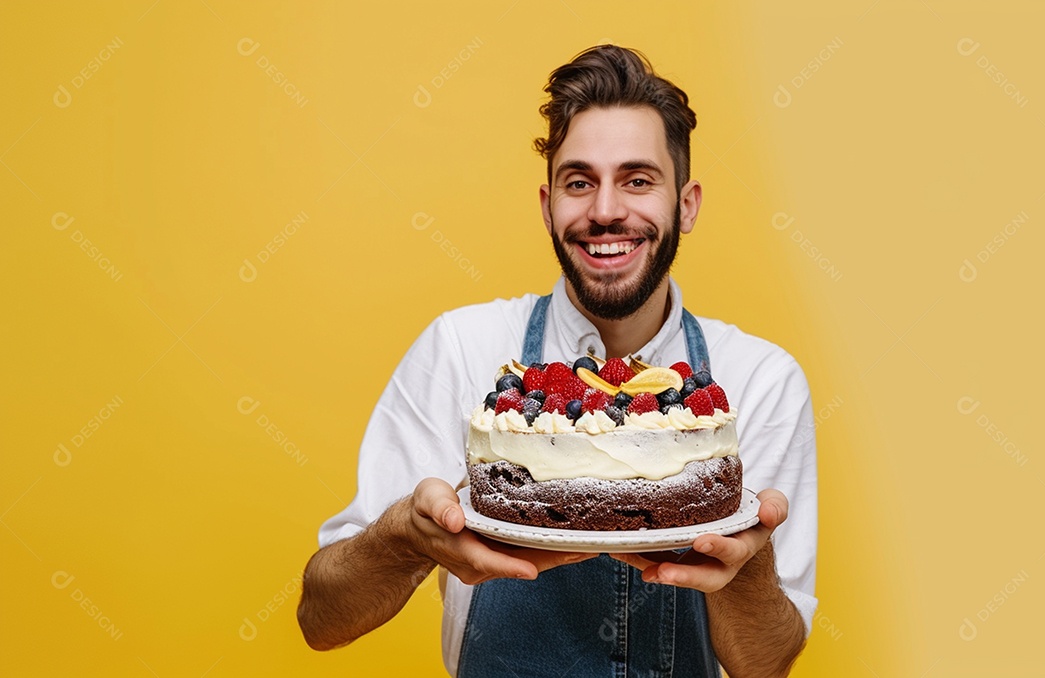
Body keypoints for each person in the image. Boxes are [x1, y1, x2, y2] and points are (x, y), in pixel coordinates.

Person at [298, 45, 817, 677]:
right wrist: (405, 533)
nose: (604, 211)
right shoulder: (462, 348)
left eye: (638, 180)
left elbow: (767, 666)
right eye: (579, 182)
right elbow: (321, 620)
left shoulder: (763, 380)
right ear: (548, 205)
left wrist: (746, 561)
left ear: (686, 204)